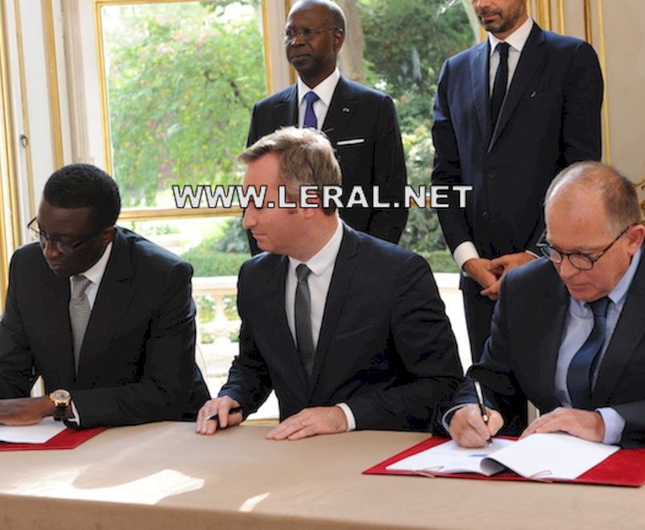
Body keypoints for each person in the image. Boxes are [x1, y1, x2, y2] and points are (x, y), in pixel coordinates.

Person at [445, 161, 645, 449]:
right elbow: (488, 381)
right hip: (553, 480)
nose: (566, 270)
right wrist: (469, 410)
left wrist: (605, 423)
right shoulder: (526, 288)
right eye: (554, 250)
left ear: (633, 239)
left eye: (584, 256)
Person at [197, 127, 462, 439]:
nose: (247, 220)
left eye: (260, 204)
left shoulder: (399, 273)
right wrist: (233, 397)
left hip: (378, 461)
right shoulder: (256, 277)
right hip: (294, 464)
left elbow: (442, 386)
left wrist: (344, 416)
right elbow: (254, 365)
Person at [0, 164, 210, 437]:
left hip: (162, 436)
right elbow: (8, 368)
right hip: (71, 439)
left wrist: (55, 404)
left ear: (106, 236)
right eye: (42, 233)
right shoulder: (28, 267)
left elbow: (166, 392)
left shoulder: (162, 275)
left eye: (65, 241)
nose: (49, 251)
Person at [432, 0, 604, 375]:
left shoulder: (572, 59)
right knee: (493, 408)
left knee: (560, 403)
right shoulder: (454, 71)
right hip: (479, 278)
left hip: (554, 269)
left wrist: (537, 254)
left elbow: (579, 172)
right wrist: (467, 258)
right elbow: (445, 176)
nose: (482, 2)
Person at [247, 0, 407, 249]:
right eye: (290, 33)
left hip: (357, 265)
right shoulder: (266, 113)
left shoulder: (374, 107)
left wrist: (371, 265)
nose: (297, 41)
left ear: (337, 38)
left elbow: (392, 199)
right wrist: (269, 267)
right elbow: (255, 197)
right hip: (285, 265)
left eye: (308, 32)